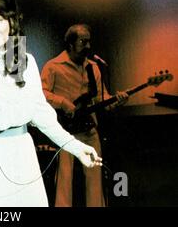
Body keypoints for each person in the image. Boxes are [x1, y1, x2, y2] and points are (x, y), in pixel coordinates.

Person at [0, 0, 103, 207]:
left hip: (23, 154)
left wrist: (75, 147)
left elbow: (41, 114)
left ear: (11, 21)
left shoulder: (27, 61)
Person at [40, 24, 129, 207]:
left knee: (95, 175)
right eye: (82, 42)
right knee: (64, 178)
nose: (88, 46)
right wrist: (63, 103)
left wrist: (117, 101)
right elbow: (41, 94)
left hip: (89, 128)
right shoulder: (53, 67)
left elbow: (100, 99)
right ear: (70, 44)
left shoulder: (93, 67)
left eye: (89, 42)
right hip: (65, 131)